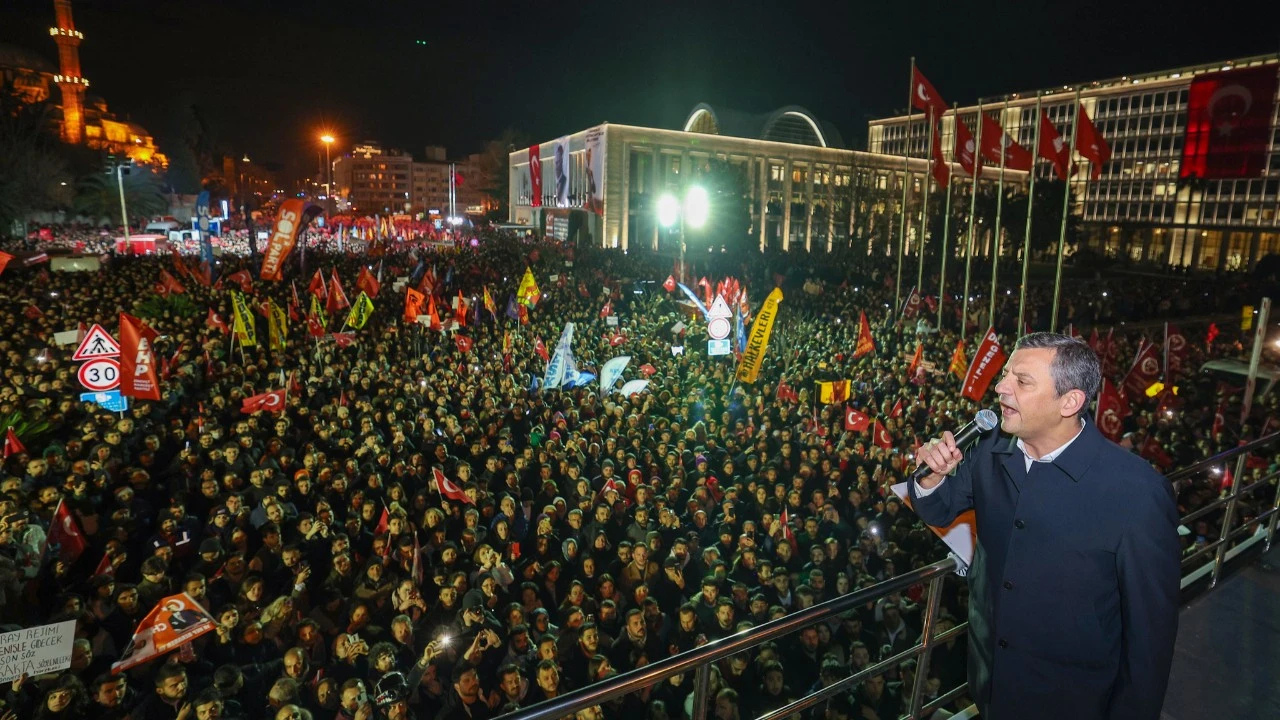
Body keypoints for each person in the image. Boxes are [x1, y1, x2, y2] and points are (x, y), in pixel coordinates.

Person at [909, 332, 1180, 720]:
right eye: (1005, 375)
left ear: (1069, 402)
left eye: (1022, 381)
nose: (1000, 388)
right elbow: (940, 510)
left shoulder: (1137, 493)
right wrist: (931, 479)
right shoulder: (989, 449)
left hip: (1072, 701)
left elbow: (1149, 638)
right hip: (990, 684)